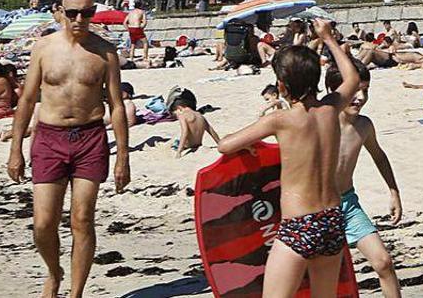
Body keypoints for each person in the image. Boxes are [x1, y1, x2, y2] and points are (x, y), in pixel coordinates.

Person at [216, 19, 361, 297]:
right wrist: (328, 38)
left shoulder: (281, 120)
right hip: (332, 219)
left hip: (299, 224)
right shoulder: (330, 109)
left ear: (281, 86)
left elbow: (225, 145)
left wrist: (251, 144)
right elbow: (352, 78)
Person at [6, 0, 130, 298]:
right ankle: (54, 272)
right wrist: (15, 149)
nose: (78, 19)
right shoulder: (44, 48)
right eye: (72, 13)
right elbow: (27, 99)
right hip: (49, 137)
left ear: (93, 13)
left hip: (90, 138)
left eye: (86, 13)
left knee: (83, 218)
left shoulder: (105, 52)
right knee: (43, 223)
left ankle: (76, 293)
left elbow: (116, 106)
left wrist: (123, 157)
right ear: (61, 12)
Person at [324, 62, 403, 298]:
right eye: (354, 90)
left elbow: (379, 156)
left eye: (366, 91)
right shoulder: (319, 123)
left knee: (383, 262)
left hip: (348, 205)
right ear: (333, 90)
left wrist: (394, 192)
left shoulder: (364, 126)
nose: (360, 97)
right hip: (319, 207)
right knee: (324, 277)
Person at [171, 90, 221, 158]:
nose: (176, 115)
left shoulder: (182, 115)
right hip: (199, 145)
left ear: (179, 108)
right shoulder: (199, 115)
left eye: (175, 112)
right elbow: (211, 130)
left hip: (188, 146)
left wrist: (179, 152)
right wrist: (219, 143)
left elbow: (185, 132)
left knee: (174, 143)